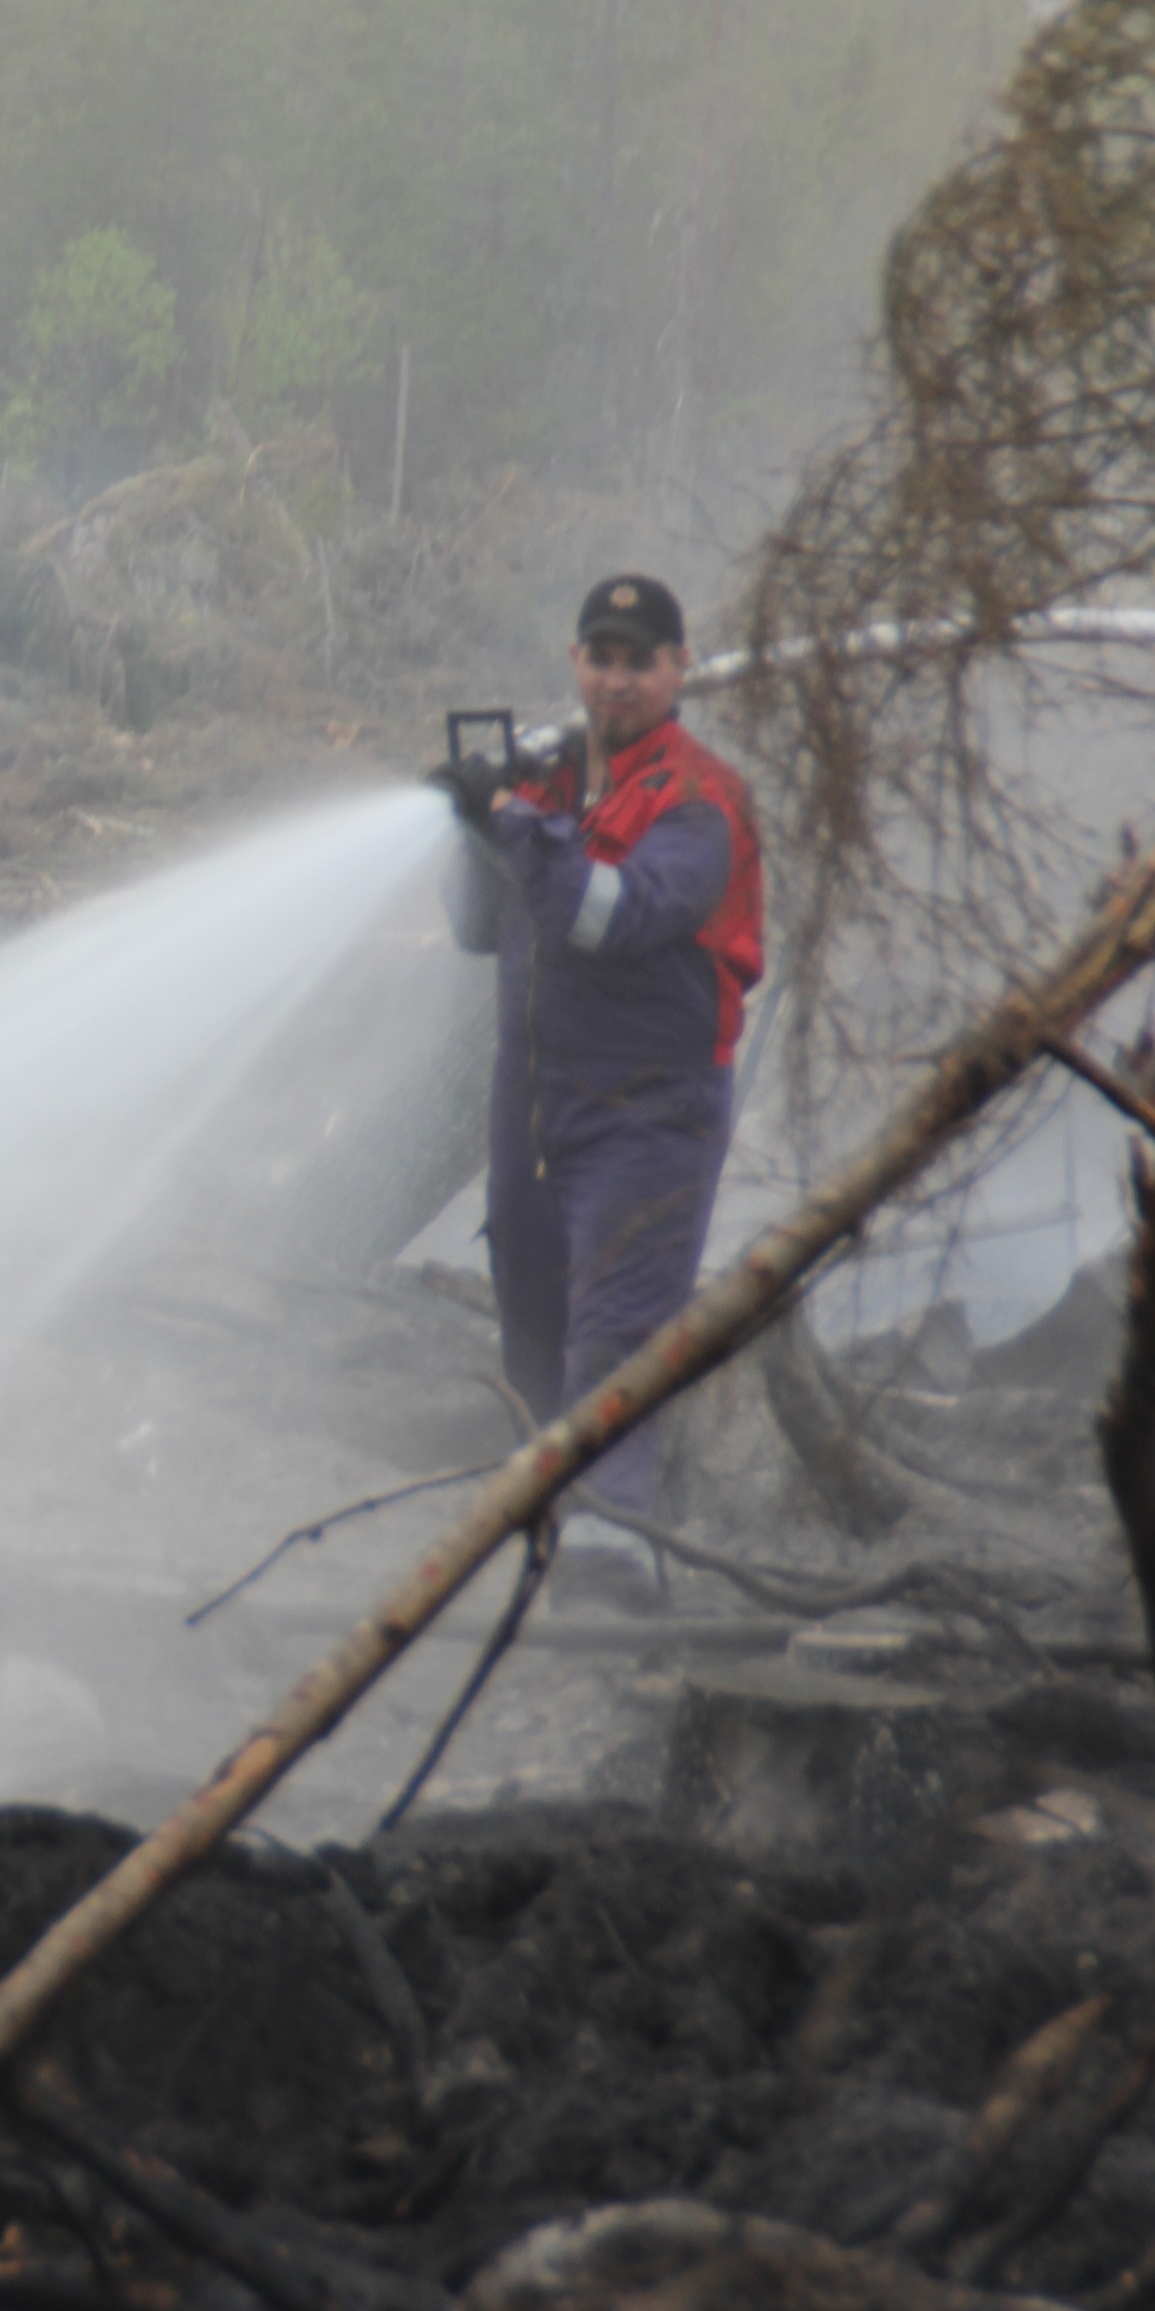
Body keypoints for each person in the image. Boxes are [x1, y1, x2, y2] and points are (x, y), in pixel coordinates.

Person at [443, 574, 767, 1608]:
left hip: (648, 1107)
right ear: (575, 663)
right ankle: (546, 1532)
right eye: (600, 656)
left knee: (616, 1328)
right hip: (533, 1103)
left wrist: (512, 826)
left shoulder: (698, 801)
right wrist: (473, 828)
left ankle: (619, 1551)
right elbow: (477, 929)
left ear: (677, 670)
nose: (616, 678)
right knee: (534, 1320)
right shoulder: (545, 783)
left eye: (640, 660)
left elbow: (616, 917)